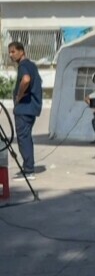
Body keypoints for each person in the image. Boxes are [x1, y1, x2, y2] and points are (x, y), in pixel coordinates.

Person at [8, 42, 42, 181]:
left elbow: (26, 80)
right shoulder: (32, 65)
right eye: (9, 52)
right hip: (31, 108)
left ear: (22, 51)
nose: (11, 55)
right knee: (26, 137)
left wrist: (19, 95)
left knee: (23, 138)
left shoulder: (23, 66)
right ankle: (28, 167)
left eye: (13, 51)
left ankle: (28, 170)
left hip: (24, 108)